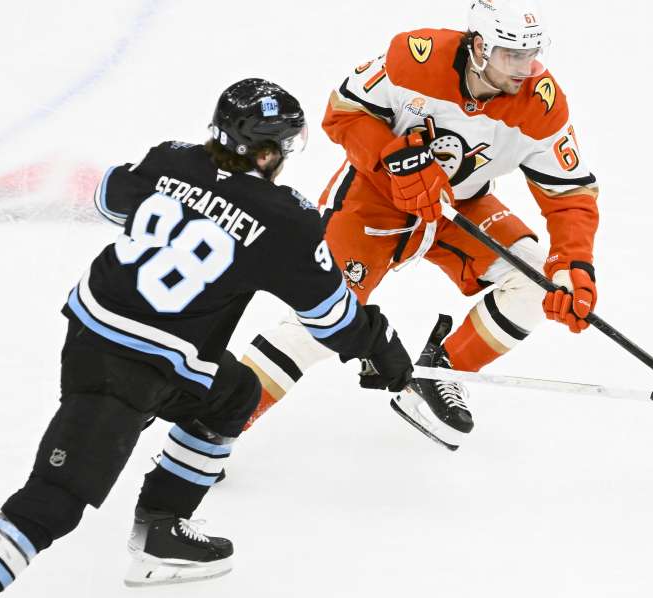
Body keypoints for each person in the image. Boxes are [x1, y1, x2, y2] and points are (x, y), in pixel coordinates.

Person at [0, 78, 413, 598]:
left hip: (102, 332)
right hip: (123, 372)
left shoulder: (172, 157)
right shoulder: (286, 222)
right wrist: (382, 352)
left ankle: (161, 527)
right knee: (56, 498)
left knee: (231, 393)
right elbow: (335, 319)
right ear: (268, 152)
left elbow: (108, 197)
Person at [241, 0, 600, 450]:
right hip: (372, 199)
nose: (524, 68)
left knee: (540, 282)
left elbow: (570, 195)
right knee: (321, 323)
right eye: (512, 54)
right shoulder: (415, 57)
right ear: (479, 47)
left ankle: (437, 375)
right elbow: (341, 113)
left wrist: (574, 262)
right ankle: (212, 426)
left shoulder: (541, 107)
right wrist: (391, 157)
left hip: (458, 206)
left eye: (531, 54)